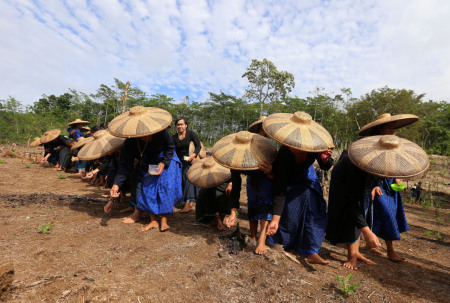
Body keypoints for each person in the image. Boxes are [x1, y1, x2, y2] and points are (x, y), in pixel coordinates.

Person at [263, 111, 334, 265]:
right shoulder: (283, 154)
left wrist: (325, 158)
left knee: (314, 215)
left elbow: (325, 166)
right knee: (291, 216)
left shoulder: (314, 146)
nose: (294, 148)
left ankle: (311, 252)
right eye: (291, 145)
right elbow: (280, 187)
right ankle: (289, 247)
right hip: (291, 185)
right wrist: (275, 220)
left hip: (308, 183)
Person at [358, 113, 416, 262]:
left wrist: (397, 179)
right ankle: (390, 250)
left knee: (385, 213)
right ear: (380, 127)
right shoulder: (370, 143)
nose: (392, 130)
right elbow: (367, 164)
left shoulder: (393, 143)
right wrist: (374, 184)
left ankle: (369, 245)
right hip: (374, 182)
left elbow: (394, 162)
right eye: (389, 127)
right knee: (384, 214)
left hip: (389, 184)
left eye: (393, 128)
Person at [107, 129, 182, 232]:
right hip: (149, 162)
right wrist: (116, 184)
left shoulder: (161, 132)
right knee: (146, 187)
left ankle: (164, 219)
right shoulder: (130, 142)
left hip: (168, 159)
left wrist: (164, 163)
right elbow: (125, 164)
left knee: (166, 187)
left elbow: (171, 147)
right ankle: (154, 221)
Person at [172, 116, 201, 213]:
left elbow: (198, 146)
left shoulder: (191, 134)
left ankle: (188, 203)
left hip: (191, 160)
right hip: (179, 161)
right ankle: (184, 200)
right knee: (181, 180)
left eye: (182, 124)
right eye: (178, 124)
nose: (180, 126)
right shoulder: (174, 137)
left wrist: (193, 155)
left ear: (186, 125)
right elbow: (172, 150)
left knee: (188, 178)